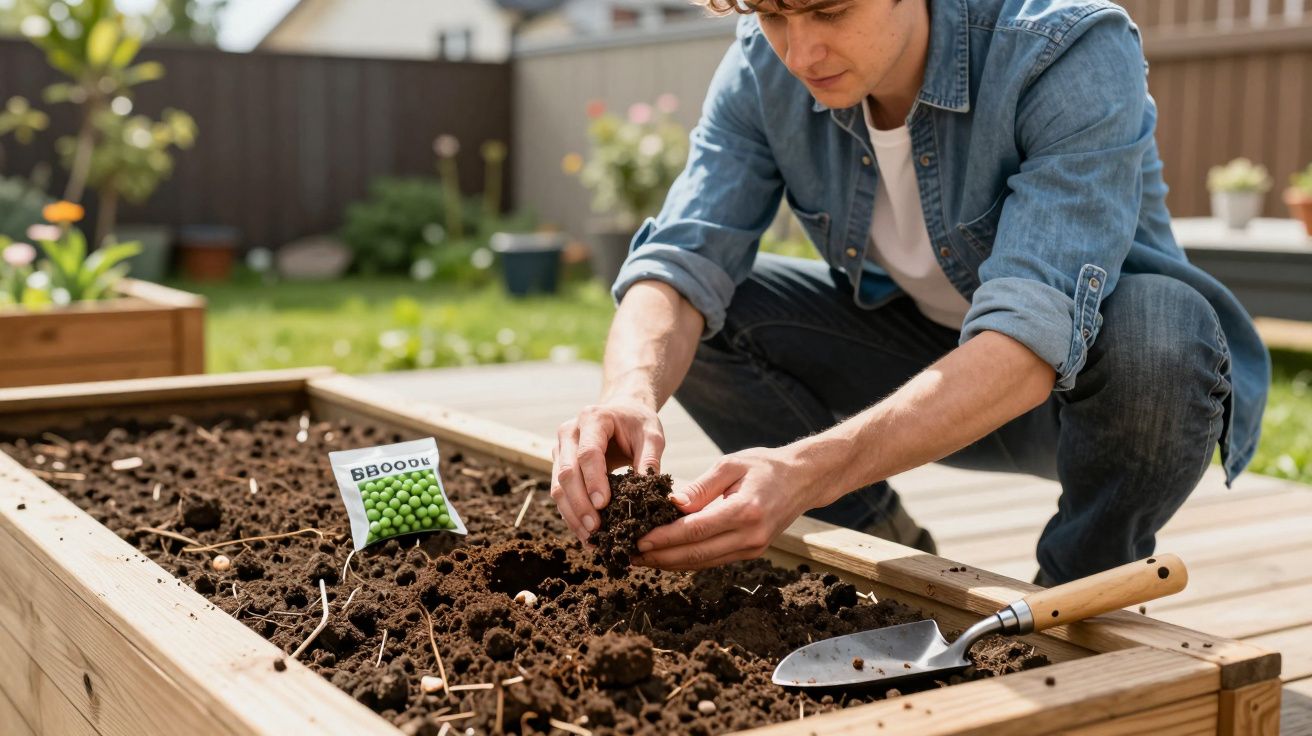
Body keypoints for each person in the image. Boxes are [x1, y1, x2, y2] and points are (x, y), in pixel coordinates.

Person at [548, 0, 1270, 585]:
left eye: (827, 12)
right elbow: (681, 259)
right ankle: (880, 554)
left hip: (1094, 395)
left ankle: (1077, 594)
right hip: (916, 367)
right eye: (772, 15)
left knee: (1164, 333)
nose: (800, 53)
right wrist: (628, 394)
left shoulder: (1066, 49)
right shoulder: (760, 70)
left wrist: (804, 471)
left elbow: (1030, 337)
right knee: (707, 314)